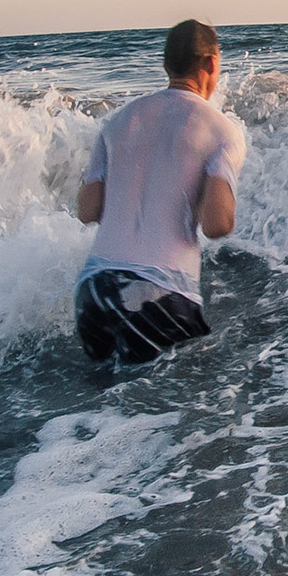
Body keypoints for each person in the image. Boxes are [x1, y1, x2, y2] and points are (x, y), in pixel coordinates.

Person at [74, 19, 247, 364]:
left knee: (101, 408)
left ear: (167, 64)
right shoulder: (223, 130)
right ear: (211, 63)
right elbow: (217, 225)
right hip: (159, 295)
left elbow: (88, 210)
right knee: (181, 409)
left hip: (93, 290)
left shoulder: (119, 121)